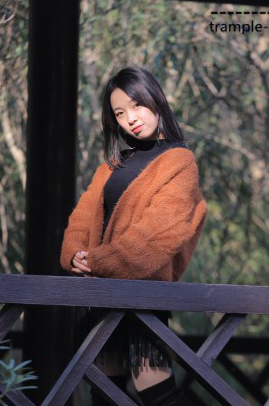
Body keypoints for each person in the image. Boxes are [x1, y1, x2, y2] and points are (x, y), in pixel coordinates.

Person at [60, 66, 207, 406]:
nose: (131, 118)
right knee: (104, 392)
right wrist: (74, 254)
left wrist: (97, 261)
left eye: (136, 105)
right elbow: (82, 217)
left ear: (154, 99)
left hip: (144, 295)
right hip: (101, 295)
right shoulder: (111, 167)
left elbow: (160, 233)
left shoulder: (179, 161)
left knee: (155, 391)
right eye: (120, 113)